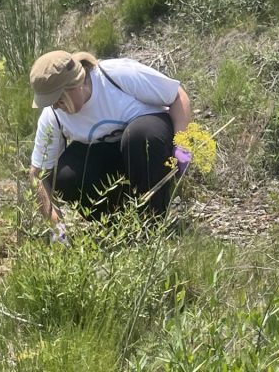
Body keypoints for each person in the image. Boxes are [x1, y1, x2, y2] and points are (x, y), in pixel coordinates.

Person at [27, 50, 193, 236]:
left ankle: (153, 222)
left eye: (58, 100)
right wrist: (56, 226)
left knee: (139, 136)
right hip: (114, 157)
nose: (56, 107)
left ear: (75, 85)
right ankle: (118, 225)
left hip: (149, 143)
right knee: (66, 176)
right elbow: (38, 174)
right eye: (50, 103)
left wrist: (182, 144)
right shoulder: (53, 116)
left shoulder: (116, 75)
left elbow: (177, 96)